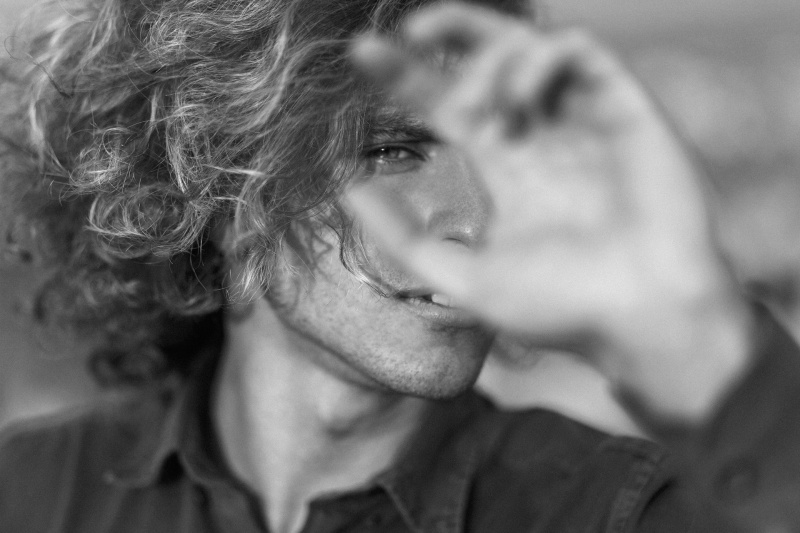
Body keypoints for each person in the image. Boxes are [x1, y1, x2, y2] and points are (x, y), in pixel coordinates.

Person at [1, 1, 799, 532]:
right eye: (390, 150)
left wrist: (698, 337)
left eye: (493, 154)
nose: (479, 219)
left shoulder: (619, 512)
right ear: (215, 180)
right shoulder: (28, 492)